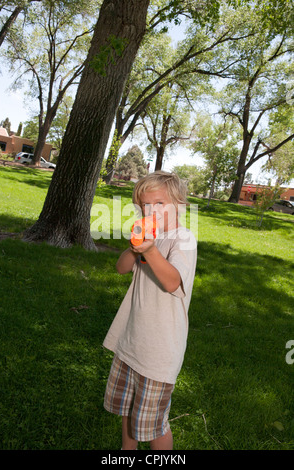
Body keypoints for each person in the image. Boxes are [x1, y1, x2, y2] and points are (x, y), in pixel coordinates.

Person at [103, 171, 197, 450]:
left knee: (154, 424)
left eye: (159, 204)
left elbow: (171, 282)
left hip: (159, 352)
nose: (150, 211)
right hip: (132, 343)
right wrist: (135, 248)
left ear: (179, 205)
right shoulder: (148, 236)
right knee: (128, 409)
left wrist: (150, 250)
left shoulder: (183, 240)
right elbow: (120, 268)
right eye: (145, 205)